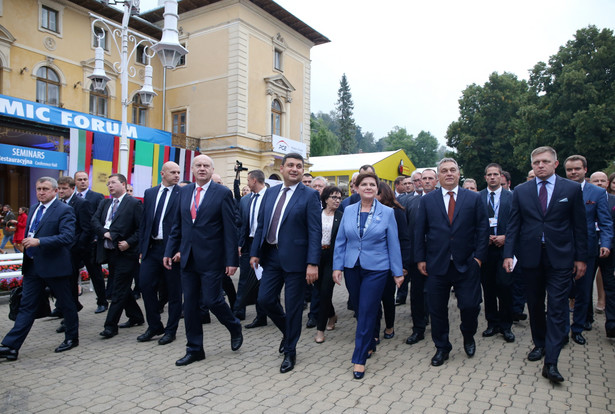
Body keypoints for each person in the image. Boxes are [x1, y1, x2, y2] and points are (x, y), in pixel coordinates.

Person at [503, 146, 587, 383]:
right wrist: (508, 254)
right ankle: (539, 343)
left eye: (545, 162)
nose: (540, 165)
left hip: (560, 258)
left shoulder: (570, 189)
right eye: (536, 162)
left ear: (555, 164)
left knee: (558, 308)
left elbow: (580, 226)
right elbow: (513, 226)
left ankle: (551, 361)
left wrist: (580, 258)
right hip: (530, 258)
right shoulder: (521, 191)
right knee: (535, 305)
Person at [164, 155, 242, 366]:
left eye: (206, 166)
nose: (202, 169)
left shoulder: (222, 193)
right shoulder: (184, 191)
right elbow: (177, 226)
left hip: (212, 259)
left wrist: (231, 260)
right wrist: (169, 251)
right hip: (187, 259)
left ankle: (234, 325)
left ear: (211, 169)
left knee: (212, 300)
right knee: (189, 305)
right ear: (192, 169)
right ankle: (195, 349)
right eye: (198, 165)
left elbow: (230, 229)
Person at [250, 153, 322, 373]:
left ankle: (290, 351)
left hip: (297, 262)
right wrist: (255, 253)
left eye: (299, 166)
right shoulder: (270, 193)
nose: (294, 169)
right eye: (290, 165)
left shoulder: (309, 195)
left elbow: (314, 231)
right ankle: (287, 331)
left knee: (293, 308)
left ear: (302, 170)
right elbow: (261, 225)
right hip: (271, 257)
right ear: (281, 169)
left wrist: (312, 263)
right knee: (264, 300)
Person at [414, 158, 489, 367]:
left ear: (459, 174)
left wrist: (478, 258)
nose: (449, 173)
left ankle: (468, 335)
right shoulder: (428, 201)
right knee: (437, 309)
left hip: (467, 264)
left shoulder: (473, 199)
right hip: (437, 265)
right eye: (444, 171)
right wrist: (420, 258)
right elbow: (419, 231)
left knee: (470, 305)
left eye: (452, 170)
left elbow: (483, 230)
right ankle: (442, 347)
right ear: (438, 176)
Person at [333, 172, 404, 379]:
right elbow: (341, 240)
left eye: (372, 184)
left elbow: (394, 243)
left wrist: (397, 272)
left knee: (366, 311)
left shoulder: (387, 213)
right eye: (364, 184)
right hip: (352, 266)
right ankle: (370, 341)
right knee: (358, 307)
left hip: (377, 268)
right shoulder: (348, 210)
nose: (368, 187)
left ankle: (359, 358)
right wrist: (337, 266)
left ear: (377, 189)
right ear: (356, 188)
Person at [0, 177, 78, 360]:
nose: (41, 192)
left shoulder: (64, 210)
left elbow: (67, 237)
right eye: (38, 189)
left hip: (55, 266)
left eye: (45, 189)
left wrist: (40, 241)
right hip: (33, 266)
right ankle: (11, 346)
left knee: (66, 304)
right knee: (26, 306)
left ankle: (72, 338)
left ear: (55, 191)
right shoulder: (34, 208)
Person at [564, 155, 612, 340]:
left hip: (587, 249)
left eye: (577, 169)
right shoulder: (560, 190)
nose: (573, 172)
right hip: (562, 248)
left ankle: (577, 328)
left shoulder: (597, 193)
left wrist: (606, 243)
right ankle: (560, 329)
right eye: (570, 170)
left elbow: (605, 223)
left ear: (585, 170)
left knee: (584, 291)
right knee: (564, 290)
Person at [92, 174, 145, 339]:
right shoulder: (105, 203)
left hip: (126, 253)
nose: (109, 186)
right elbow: (94, 221)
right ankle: (136, 316)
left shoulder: (133, 203)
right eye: (108, 183)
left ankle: (110, 326)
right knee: (122, 287)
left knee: (118, 289)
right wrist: (105, 233)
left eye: (113, 183)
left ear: (123, 184)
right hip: (109, 252)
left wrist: (129, 242)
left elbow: (141, 228)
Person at [136, 162, 182, 346]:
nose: (177, 175)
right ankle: (154, 325)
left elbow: (186, 224)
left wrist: (180, 249)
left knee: (173, 292)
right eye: (173, 172)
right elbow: (145, 222)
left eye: (179, 172)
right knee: (145, 286)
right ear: (162, 173)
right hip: (151, 248)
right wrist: (142, 248)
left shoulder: (183, 193)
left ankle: (171, 330)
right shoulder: (150, 193)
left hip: (171, 249)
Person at [479, 164, 515, 342]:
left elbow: (519, 224)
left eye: (496, 174)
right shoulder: (478, 197)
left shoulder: (513, 197)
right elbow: (473, 224)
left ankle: (506, 326)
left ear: (501, 177)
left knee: (505, 286)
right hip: (485, 250)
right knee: (489, 288)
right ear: (485, 177)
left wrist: (506, 237)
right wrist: (483, 237)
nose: (492, 177)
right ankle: (492, 323)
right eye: (489, 174)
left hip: (505, 250)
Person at [374, 182, 411, 343]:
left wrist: (402, 265)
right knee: (373, 298)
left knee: (387, 297)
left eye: (376, 192)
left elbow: (404, 239)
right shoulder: (371, 210)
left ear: (383, 194)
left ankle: (389, 326)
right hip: (374, 262)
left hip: (391, 262)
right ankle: (374, 330)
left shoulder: (396, 212)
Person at [56, 176, 91, 326]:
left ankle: (70, 315)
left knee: (70, 283)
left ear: (72, 188)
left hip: (73, 251)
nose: (61, 191)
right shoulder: (58, 204)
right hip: (61, 250)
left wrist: (76, 248)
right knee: (62, 283)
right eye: (60, 188)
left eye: (64, 188)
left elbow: (86, 229)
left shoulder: (81, 203)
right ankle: (67, 307)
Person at [235, 169, 268, 327]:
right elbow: (242, 225)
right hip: (248, 243)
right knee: (244, 278)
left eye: (248, 180)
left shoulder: (271, 197)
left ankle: (263, 315)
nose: (246, 183)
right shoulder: (245, 200)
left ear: (254, 180)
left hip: (266, 244)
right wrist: (240, 244)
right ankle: (239, 310)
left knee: (263, 280)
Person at [73, 171, 108, 313]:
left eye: (85, 179)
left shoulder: (96, 197)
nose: (82, 182)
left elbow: (101, 217)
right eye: (79, 179)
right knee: (70, 274)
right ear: (75, 182)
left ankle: (102, 301)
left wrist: (97, 236)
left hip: (91, 243)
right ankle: (68, 305)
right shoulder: (72, 198)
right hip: (75, 244)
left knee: (95, 274)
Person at [314, 186, 343, 344]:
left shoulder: (341, 216)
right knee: (319, 292)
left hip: (332, 258)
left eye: (339, 198)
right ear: (325, 199)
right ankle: (331, 315)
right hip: (316, 257)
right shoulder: (316, 214)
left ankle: (320, 330)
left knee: (325, 292)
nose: (337, 200)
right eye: (334, 197)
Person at [590, 171, 610, 314]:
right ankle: (587, 316)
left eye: (602, 180)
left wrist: (606, 243)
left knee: (609, 280)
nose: (599, 183)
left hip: (607, 245)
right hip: (589, 244)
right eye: (596, 180)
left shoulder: (612, 200)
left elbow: (606, 223)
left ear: (607, 183)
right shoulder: (585, 197)